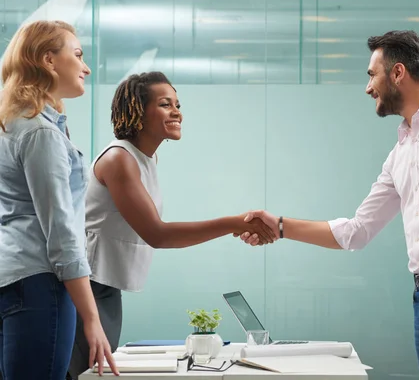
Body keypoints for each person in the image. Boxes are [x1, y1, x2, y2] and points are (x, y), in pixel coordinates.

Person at [236, 30, 419, 380]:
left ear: (398, 73)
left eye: (371, 75)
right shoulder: (400, 154)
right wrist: (279, 226)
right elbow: (356, 231)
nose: (367, 88)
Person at [68, 71, 276, 379]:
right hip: (87, 289)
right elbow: (157, 234)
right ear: (138, 111)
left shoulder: (144, 159)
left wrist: (232, 224)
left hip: (107, 288)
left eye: (177, 104)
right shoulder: (119, 160)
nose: (177, 111)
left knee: (93, 374)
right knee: (82, 374)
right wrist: (233, 223)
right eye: (166, 104)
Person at [0, 20, 118, 379]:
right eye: (78, 55)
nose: (86, 67)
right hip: (40, 286)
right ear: (49, 61)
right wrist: (92, 318)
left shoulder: (12, 125)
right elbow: (62, 233)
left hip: (13, 279)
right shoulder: (40, 132)